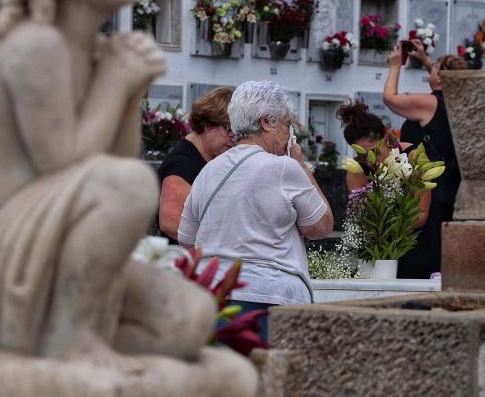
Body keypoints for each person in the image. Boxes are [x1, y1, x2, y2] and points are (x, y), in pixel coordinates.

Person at [0, 0, 253, 382]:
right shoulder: (33, 47)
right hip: (3, 252)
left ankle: (81, 332)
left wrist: (126, 92)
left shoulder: (89, 53)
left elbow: (108, 160)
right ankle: (69, 338)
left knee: (191, 318)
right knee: (128, 183)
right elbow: (69, 165)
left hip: (57, 239)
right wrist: (116, 83)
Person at [178, 81, 333, 340]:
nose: (288, 134)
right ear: (266, 123)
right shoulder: (284, 167)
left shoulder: (208, 171)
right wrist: (301, 164)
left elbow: (186, 240)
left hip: (215, 298)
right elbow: (321, 226)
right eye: (286, 124)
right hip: (271, 297)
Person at [382, 41, 467, 277]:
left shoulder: (430, 103)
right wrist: (425, 59)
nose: (431, 70)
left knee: (417, 257)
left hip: (424, 190)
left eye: (434, 68)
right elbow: (451, 75)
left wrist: (396, 65)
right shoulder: (458, 100)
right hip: (447, 189)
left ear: (440, 78)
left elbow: (390, 98)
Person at [336, 101, 431, 278]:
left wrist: (384, 228)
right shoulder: (357, 169)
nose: (370, 160)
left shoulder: (414, 156)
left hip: (416, 245)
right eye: (362, 155)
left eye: (374, 152)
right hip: (376, 249)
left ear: (386, 138)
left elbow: (421, 214)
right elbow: (362, 214)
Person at [157, 87, 234, 241]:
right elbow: (170, 222)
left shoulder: (209, 157)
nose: (234, 139)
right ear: (207, 124)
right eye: (229, 130)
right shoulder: (181, 165)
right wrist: (221, 244)